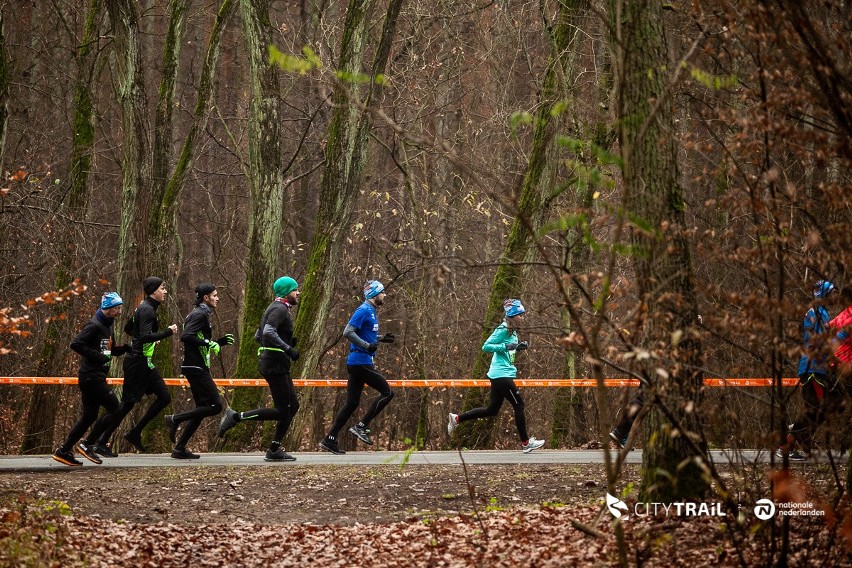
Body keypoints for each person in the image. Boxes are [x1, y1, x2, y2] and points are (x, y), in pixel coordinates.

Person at [218, 276, 301, 461]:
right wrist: (287, 348)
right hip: (274, 364)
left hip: (277, 362)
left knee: (293, 406)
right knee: (281, 410)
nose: (298, 293)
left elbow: (258, 336)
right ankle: (236, 417)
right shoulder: (279, 309)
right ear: (287, 292)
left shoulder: (275, 308)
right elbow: (267, 332)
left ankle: (274, 449)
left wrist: (284, 342)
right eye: (295, 290)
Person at [447, 299, 545, 453]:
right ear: (513, 315)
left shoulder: (512, 331)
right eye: (521, 315)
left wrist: (518, 347)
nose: (523, 318)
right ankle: (526, 443)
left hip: (501, 373)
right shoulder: (503, 328)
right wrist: (507, 346)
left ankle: (457, 419)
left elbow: (508, 350)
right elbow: (486, 346)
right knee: (519, 405)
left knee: (492, 409)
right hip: (501, 374)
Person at [94, 277, 178, 453]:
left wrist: (148, 341)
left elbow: (129, 329)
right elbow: (145, 335)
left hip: (144, 362)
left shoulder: (144, 307)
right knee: (126, 405)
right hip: (137, 362)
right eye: (163, 288)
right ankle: (100, 441)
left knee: (164, 397)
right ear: (154, 291)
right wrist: (167, 332)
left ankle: (135, 432)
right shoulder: (147, 310)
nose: (165, 291)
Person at [52, 293, 131, 466]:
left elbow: (107, 352)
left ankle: (63, 451)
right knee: (116, 409)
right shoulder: (94, 325)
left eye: (119, 308)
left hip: (96, 376)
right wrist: (97, 357)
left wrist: (123, 349)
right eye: (116, 308)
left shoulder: (108, 326)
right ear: (107, 308)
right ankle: (87, 444)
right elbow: (76, 344)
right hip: (91, 377)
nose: (119, 312)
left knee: (89, 416)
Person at [319, 280, 396, 455]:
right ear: (374, 294)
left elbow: (366, 334)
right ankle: (361, 426)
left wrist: (382, 338)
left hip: (358, 362)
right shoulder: (363, 310)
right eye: (382, 292)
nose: (385, 295)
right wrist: (366, 346)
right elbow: (347, 331)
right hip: (360, 362)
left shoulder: (372, 311)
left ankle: (329, 439)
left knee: (351, 404)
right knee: (388, 393)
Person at [165, 283, 234, 459]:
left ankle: (179, 448)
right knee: (215, 406)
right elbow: (186, 336)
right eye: (215, 295)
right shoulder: (200, 314)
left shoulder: (201, 313)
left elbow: (198, 338)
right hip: (195, 367)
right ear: (206, 297)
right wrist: (209, 343)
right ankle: (175, 419)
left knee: (202, 408)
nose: (217, 298)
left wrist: (218, 341)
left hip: (197, 365)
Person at [777, 280, 837, 461]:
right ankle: (789, 443)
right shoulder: (819, 314)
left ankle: (799, 435)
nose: (835, 296)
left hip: (813, 366)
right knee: (817, 408)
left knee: (817, 408)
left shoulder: (818, 312)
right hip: (814, 367)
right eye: (832, 293)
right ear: (825, 294)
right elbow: (823, 341)